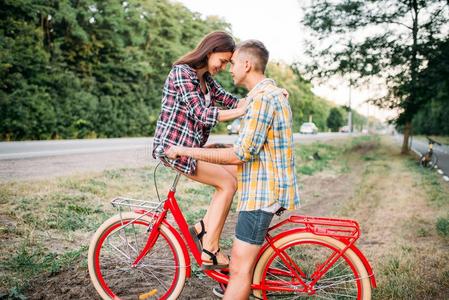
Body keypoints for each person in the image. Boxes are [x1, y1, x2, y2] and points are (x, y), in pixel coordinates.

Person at [166, 39, 300, 299]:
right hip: (265, 187)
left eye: (233, 62)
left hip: (262, 193)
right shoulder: (266, 95)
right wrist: (218, 144)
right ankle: (206, 236)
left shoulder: (262, 100)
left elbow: (240, 154)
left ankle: (207, 239)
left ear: (247, 64)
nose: (229, 68)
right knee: (241, 264)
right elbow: (251, 139)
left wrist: (185, 150)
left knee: (239, 270)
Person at [152, 31, 248, 269]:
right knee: (227, 185)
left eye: (228, 63)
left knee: (236, 175)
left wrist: (266, 94)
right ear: (210, 51)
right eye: (223, 61)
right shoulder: (182, 73)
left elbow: (232, 101)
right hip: (174, 148)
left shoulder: (206, 80)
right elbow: (201, 114)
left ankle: (202, 229)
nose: (224, 67)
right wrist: (240, 113)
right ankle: (209, 250)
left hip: (192, 148)